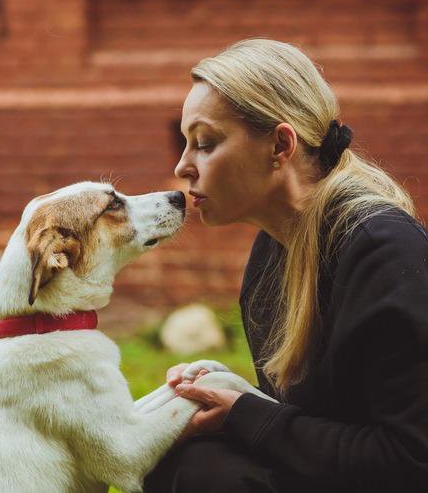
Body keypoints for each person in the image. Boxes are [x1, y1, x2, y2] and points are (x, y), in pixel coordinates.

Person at [143, 39, 428, 493]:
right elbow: (302, 429)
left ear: (280, 144)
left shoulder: (384, 253)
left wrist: (246, 415)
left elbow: (411, 460)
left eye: (205, 144)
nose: (183, 167)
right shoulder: (271, 252)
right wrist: (229, 396)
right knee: (175, 452)